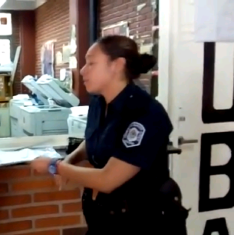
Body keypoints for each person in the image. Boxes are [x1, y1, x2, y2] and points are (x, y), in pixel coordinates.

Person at [31, 35, 188, 235]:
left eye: (91, 63)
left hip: (143, 221)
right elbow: (94, 141)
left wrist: (55, 166)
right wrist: (70, 160)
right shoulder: (98, 101)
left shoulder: (145, 113)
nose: (82, 70)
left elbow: (108, 180)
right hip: (105, 217)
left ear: (117, 65)